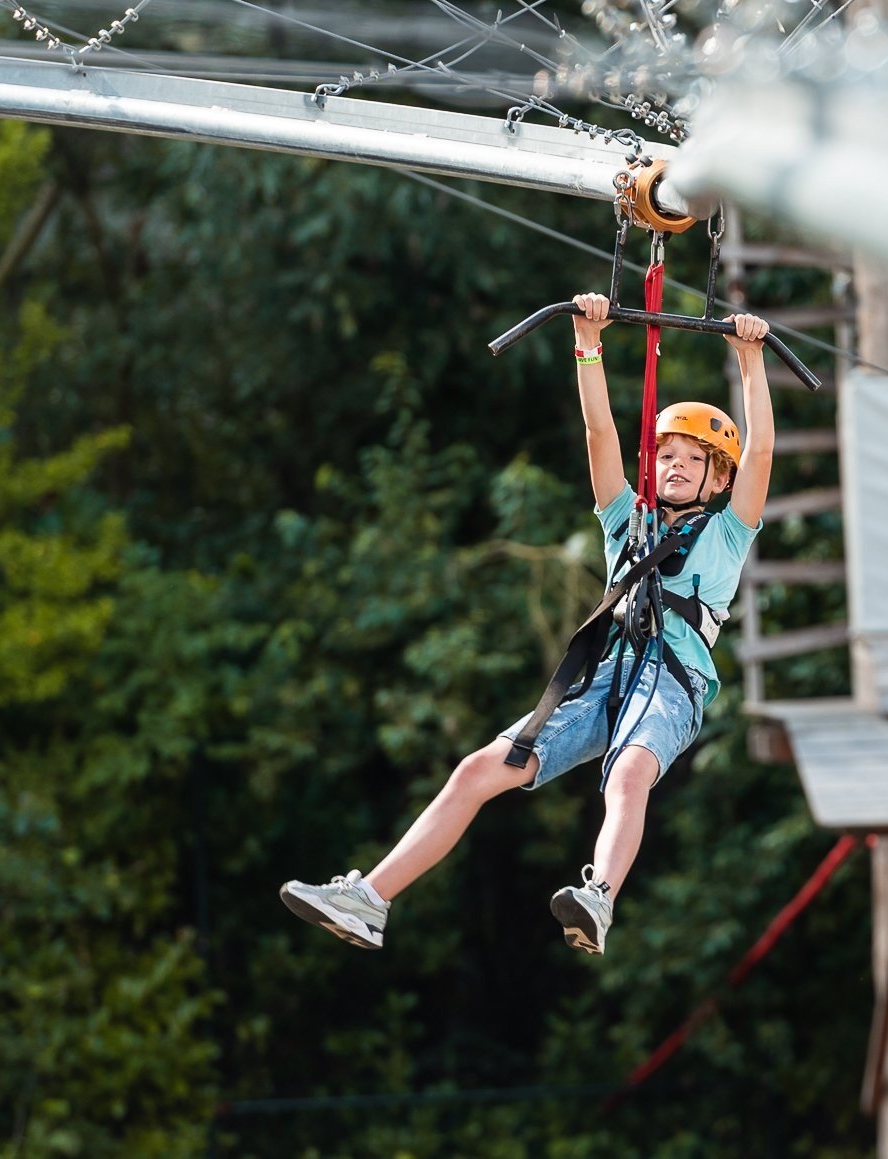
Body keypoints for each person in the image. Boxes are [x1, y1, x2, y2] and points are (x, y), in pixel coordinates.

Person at [280, 292, 776, 955]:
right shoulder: (626, 521)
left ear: (719, 479)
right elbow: (600, 434)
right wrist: (588, 344)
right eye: (666, 455)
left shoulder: (727, 535)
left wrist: (749, 360)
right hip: (606, 675)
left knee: (629, 772)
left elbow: (761, 453)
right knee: (477, 769)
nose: (676, 466)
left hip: (671, 682)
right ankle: (368, 899)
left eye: (694, 458)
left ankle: (598, 897)